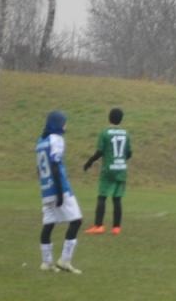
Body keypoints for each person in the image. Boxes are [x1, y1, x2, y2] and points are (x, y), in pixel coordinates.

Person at [37, 110, 83, 273]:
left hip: (45, 188)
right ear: (58, 123)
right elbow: (55, 164)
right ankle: (64, 260)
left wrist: (46, 187)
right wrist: (59, 191)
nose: (65, 125)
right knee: (76, 220)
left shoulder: (41, 140)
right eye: (64, 122)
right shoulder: (56, 139)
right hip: (59, 187)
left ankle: (46, 262)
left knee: (49, 223)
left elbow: (39, 168)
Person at [82, 107, 131, 234]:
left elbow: (99, 152)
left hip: (109, 169)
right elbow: (129, 153)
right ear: (121, 119)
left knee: (102, 196)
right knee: (117, 198)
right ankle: (116, 227)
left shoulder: (105, 133)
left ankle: (99, 226)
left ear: (109, 118)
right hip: (121, 169)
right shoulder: (126, 134)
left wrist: (89, 162)